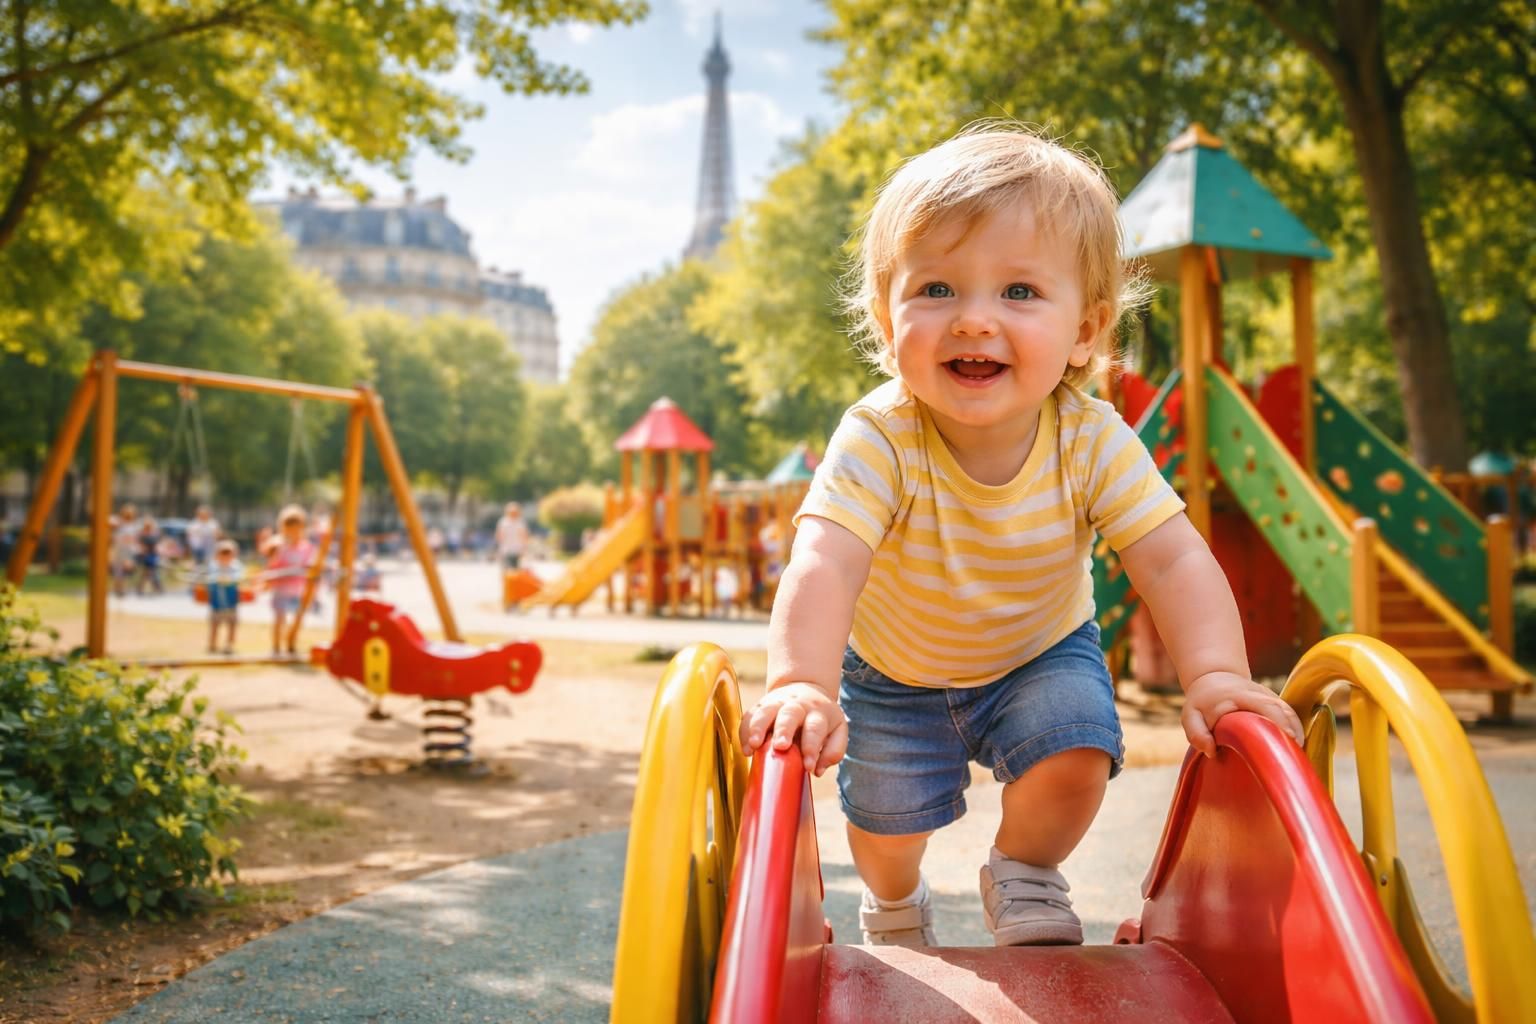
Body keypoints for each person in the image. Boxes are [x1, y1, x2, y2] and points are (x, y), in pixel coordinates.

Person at [738, 125, 1305, 950]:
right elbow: (826, 560)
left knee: (1077, 751)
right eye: (935, 289)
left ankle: (1025, 869)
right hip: (896, 670)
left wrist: (1216, 674)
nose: (973, 320)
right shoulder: (880, 436)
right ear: (884, 319)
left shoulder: (1092, 436)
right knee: (885, 826)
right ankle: (894, 903)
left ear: (1085, 331)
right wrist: (801, 683)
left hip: (1040, 651)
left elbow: (1172, 555)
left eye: (1019, 293)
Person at [266, 505, 315, 655]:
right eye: (290, 528)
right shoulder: (279, 545)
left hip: (298, 590)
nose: (294, 532)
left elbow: (310, 565)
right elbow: (271, 564)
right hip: (281, 589)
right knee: (279, 619)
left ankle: (291, 643)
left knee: (297, 618)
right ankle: (276, 647)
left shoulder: (306, 547)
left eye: (297, 528)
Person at [206, 539, 243, 655]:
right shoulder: (214, 566)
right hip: (216, 603)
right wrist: (218, 579)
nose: (226, 558)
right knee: (214, 624)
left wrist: (229, 579)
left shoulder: (236, 566)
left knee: (232, 625)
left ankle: (229, 644)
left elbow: (239, 577)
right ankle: (212, 644)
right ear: (217, 555)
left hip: (231, 603)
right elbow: (210, 578)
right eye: (223, 554)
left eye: (229, 554)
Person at [112, 504, 140, 597]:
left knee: (124, 571)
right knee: (119, 571)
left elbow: (134, 539)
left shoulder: (133, 526)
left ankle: (121, 589)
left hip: (127, 551)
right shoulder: (120, 524)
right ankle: (118, 589)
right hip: (120, 550)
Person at [494, 503, 530, 571]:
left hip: (517, 549)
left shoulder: (520, 522)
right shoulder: (503, 522)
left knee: (515, 570)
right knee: (507, 569)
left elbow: (524, 536)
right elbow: (499, 535)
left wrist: (524, 548)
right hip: (506, 550)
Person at [135, 517, 164, 595]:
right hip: (146, 555)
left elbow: (158, 544)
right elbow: (140, 544)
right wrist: (143, 550)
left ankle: (155, 588)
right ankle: (155, 588)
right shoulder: (142, 534)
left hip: (153, 554)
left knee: (151, 572)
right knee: (148, 572)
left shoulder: (154, 533)